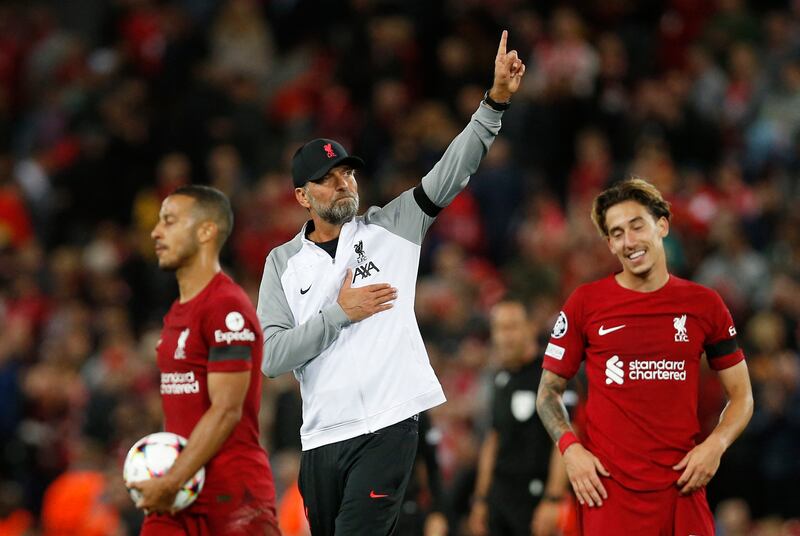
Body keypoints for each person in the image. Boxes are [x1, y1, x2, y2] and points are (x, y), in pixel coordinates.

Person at [256, 30, 526, 536]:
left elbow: (451, 171)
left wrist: (494, 104)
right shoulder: (281, 264)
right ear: (301, 196)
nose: (344, 184)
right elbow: (272, 358)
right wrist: (339, 314)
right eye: (330, 178)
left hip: (388, 425)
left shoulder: (392, 227)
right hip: (319, 439)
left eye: (349, 175)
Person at [536, 178, 754, 535]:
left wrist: (716, 444)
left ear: (662, 225)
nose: (629, 241)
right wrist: (570, 449)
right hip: (609, 494)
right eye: (617, 233)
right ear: (609, 244)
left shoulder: (705, 304)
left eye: (637, 226)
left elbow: (742, 396)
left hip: (683, 489)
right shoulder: (585, 303)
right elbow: (548, 391)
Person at [129, 185, 280, 535]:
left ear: (206, 231)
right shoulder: (176, 312)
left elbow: (227, 409)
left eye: (169, 221)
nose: (155, 231)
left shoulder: (226, 307)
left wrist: (172, 481)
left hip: (231, 491)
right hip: (178, 489)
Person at [468, 298, 570, 536]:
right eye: (499, 328)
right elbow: (493, 438)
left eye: (512, 326)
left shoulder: (552, 375)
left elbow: (565, 437)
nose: (505, 336)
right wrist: (481, 499)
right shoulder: (499, 378)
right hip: (500, 500)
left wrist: (553, 499)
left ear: (531, 327)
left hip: (536, 499)